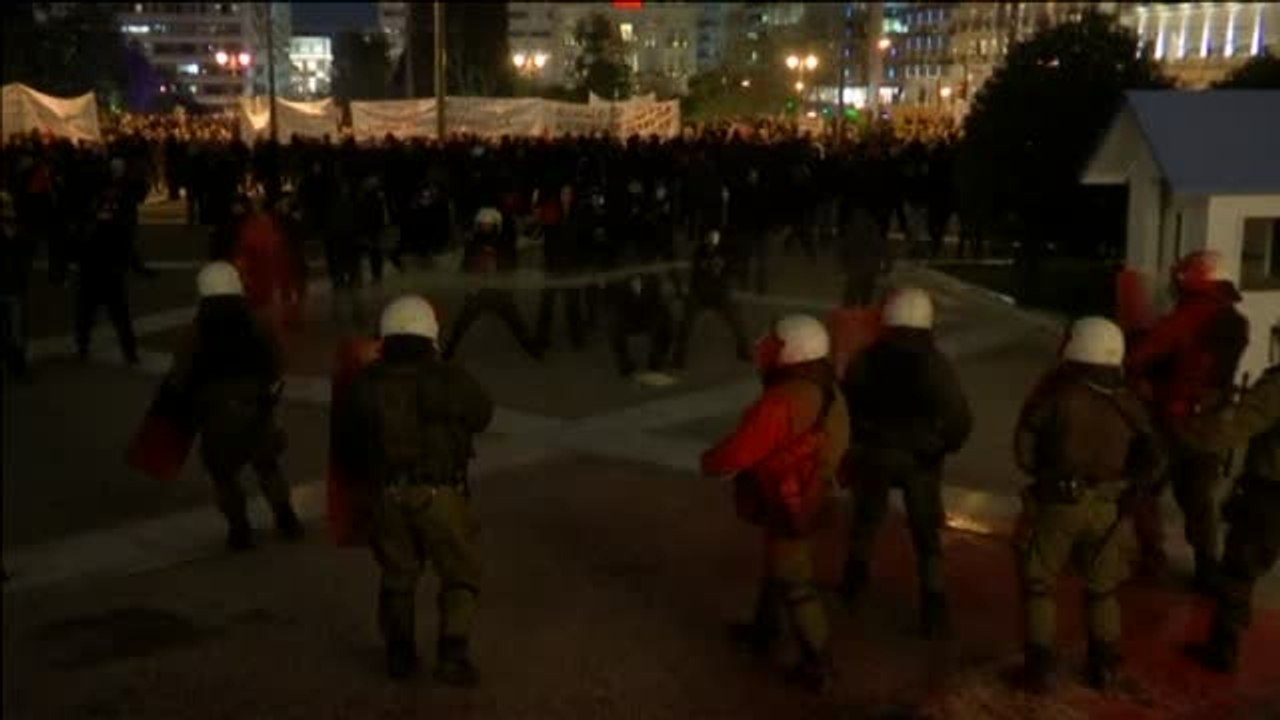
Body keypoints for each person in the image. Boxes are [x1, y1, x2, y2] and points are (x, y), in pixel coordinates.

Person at [335, 295, 494, 684]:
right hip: (442, 495)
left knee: (397, 575)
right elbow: (482, 415)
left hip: (388, 496)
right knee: (460, 573)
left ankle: (400, 654)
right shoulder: (450, 377)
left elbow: (347, 445)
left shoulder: (365, 384)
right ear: (430, 335)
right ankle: (453, 655)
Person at [1014, 317, 1163, 692]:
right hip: (1112, 508)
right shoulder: (1131, 401)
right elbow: (1152, 456)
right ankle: (1104, 665)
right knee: (1102, 588)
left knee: (1039, 583)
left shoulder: (1058, 396)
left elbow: (1025, 452)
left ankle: (1040, 667)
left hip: (1060, 504)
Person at [701, 314, 849, 693]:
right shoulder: (826, 386)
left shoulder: (784, 399)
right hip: (812, 490)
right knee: (778, 563)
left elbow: (737, 452)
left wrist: (711, 460)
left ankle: (819, 664)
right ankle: (764, 629)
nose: (767, 350)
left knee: (792, 576)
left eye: (776, 345)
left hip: (790, 497)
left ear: (793, 351)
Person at [838, 287, 972, 637]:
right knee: (926, 533)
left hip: (874, 454)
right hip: (920, 460)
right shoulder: (935, 364)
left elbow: (845, 407)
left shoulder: (865, 359)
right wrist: (943, 445)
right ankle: (934, 602)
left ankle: (854, 580)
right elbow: (958, 417)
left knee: (866, 519)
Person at [1125, 250, 1250, 588]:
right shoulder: (1236, 320)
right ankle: (1208, 567)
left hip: (1172, 421)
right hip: (1214, 423)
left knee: (1141, 485)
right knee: (1198, 497)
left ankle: (1152, 556)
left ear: (1192, 280)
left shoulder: (1188, 317)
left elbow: (1141, 357)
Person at [166, 262, 301, 550]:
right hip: (257, 409)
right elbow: (278, 362)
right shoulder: (258, 323)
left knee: (223, 475)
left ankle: (239, 528)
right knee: (268, 466)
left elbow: (180, 378)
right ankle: (286, 516)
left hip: (215, 415)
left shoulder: (193, 333)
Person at [1178, 355, 1280, 673]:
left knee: (1239, 571)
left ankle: (1224, 648)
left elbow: (1234, 426)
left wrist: (1189, 430)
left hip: (1269, 495)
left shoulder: (1277, 386)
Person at [76, 158, 153, 365]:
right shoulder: (96, 222)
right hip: (99, 272)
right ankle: (88, 345)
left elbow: (125, 245)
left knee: (111, 315)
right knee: (95, 313)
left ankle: (126, 351)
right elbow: (124, 245)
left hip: (104, 272)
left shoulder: (106, 221)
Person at [442, 208, 542, 361]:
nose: (485, 227)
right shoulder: (473, 243)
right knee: (461, 323)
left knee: (516, 322)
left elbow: (511, 265)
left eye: (489, 225)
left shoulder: (503, 243)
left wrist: (503, 277)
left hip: (499, 293)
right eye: (483, 225)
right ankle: (449, 351)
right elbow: (465, 266)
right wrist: (469, 279)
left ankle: (533, 349)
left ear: (496, 226)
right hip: (478, 292)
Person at [671, 229, 750, 370]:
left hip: (719, 294)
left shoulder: (725, 252)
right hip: (699, 293)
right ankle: (678, 355)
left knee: (736, 318)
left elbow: (732, 269)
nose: (712, 240)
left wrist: (724, 268)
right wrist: (708, 266)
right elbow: (697, 272)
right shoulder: (700, 252)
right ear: (706, 239)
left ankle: (743, 350)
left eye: (715, 237)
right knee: (686, 322)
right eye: (710, 237)